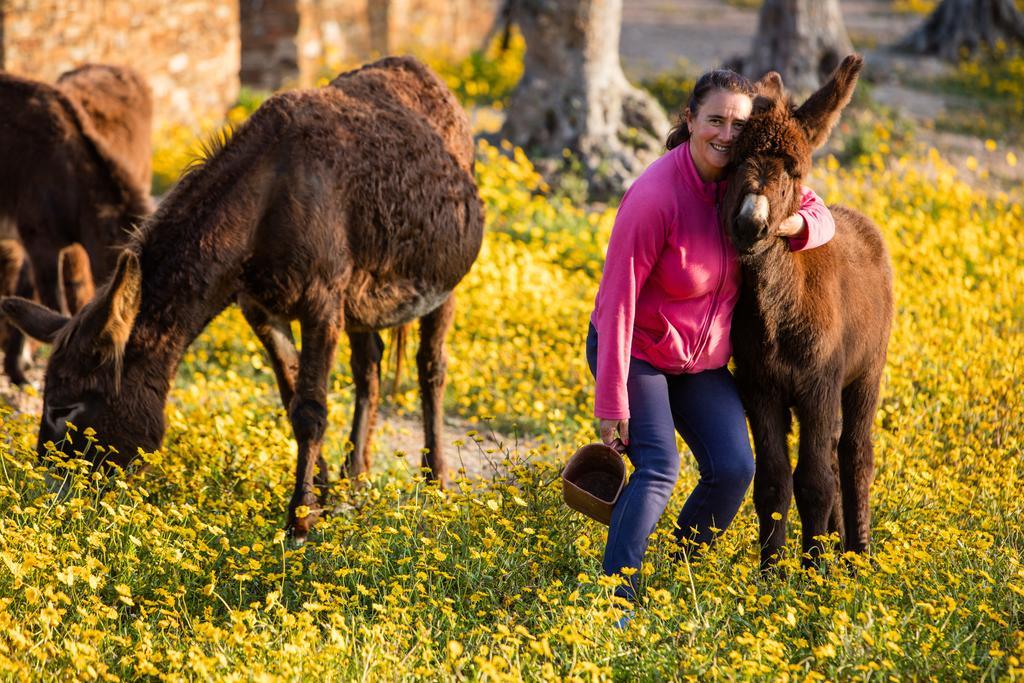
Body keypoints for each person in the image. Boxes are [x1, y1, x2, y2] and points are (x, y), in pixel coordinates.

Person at [586, 69, 835, 605]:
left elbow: (819, 214)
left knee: (734, 469)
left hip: (697, 363)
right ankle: (616, 599)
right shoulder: (655, 196)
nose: (725, 133)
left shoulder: (744, 181)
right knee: (658, 468)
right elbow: (617, 303)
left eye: (736, 124)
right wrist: (611, 400)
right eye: (714, 120)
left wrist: (789, 227)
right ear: (691, 120)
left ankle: (678, 572)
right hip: (634, 349)